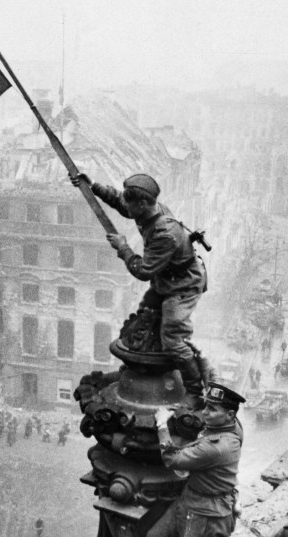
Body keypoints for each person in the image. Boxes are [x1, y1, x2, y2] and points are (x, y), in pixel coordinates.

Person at [71, 172, 206, 404]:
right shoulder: (149, 210)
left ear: (142, 204)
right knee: (145, 315)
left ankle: (194, 389)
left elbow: (143, 271)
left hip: (183, 286)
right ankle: (139, 364)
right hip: (168, 279)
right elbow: (121, 203)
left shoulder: (165, 233)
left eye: (131, 204)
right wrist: (93, 186)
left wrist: (123, 248)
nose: (127, 208)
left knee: (173, 338)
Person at [146, 379, 245, 537]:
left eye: (212, 410)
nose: (205, 414)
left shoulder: (218, 446)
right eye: (206, 407)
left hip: (207, 515)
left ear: (230, 414)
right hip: (192, 501)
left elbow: (173, 459)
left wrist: (161, 423)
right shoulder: (232, 426)